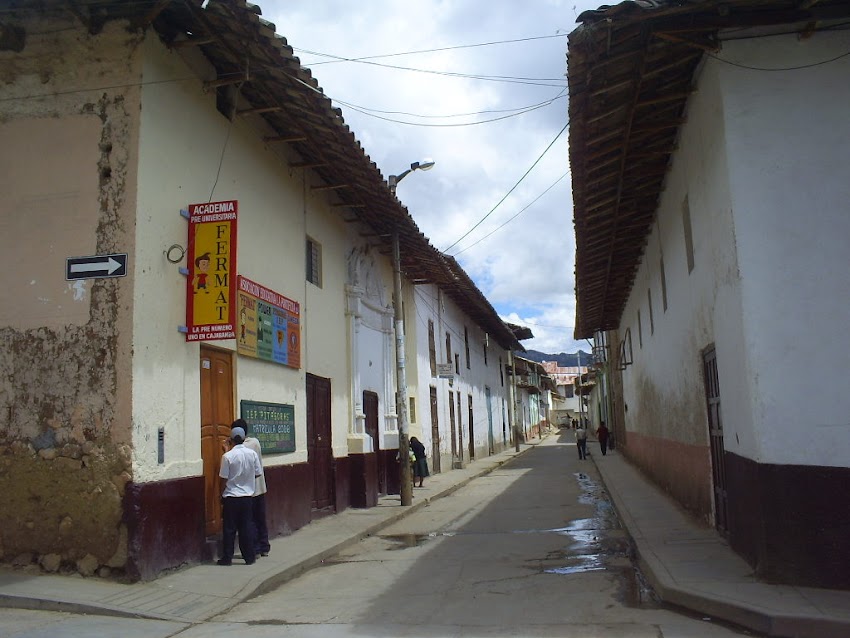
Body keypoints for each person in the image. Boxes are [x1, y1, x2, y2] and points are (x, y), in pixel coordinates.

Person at [218, 425, 262, 566]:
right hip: (247, 497)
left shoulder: (227, 457)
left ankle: (227, 557)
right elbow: (258, 473)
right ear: (244, 439)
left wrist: (221, 494)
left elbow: (223, 478)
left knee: (229, 529)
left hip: (231, 497)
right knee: (246, 527)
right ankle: (249, 557)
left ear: (231, 440)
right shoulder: (252, 454)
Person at [234, 418, 271, 558]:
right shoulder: (255, 442)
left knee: (252, 520)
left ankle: (256, 547)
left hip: (250, 490)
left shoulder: (248, 445)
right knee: (260, 518)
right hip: (259, 488)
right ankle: (264, 546)